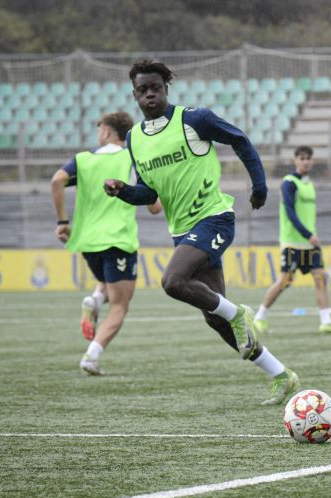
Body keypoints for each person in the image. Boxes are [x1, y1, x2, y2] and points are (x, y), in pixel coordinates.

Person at [103, 59, 300, 405]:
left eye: (156, 88)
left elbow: (240, 140)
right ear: (134, 94)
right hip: (182, 231)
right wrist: (122, 190)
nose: (149, 94)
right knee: (214, 317)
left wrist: (259, 186)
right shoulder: (134, 139)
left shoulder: (194, 120)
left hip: (213, 218)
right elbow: (149, 194)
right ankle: (282, 375)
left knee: (173, 282)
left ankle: (239, 312)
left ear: (166, 89)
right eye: (142, 90)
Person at [51, 111, 162, 376]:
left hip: (88, 243)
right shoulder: (133, 158)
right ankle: (92, 355)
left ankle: (94, 299)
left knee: (108, 285)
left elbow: (57, 181)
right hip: (118, 240)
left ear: (106, 132)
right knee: (120, 305)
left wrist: (62, 222)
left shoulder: (83, 159)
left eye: (99, 128)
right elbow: (155, 207)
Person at [253, 146, 331, 335]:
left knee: (320, 278)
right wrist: (307, 234)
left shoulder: (308, 184)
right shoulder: (289, 183)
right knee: (284, 282)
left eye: (308, 158)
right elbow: (290, 213)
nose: (305, 161)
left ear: (312, 161)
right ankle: (259, 317)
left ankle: (326, 321)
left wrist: (309, 236)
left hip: (309, 243)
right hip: (293, 242)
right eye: (302, 158)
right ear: (295, 160)